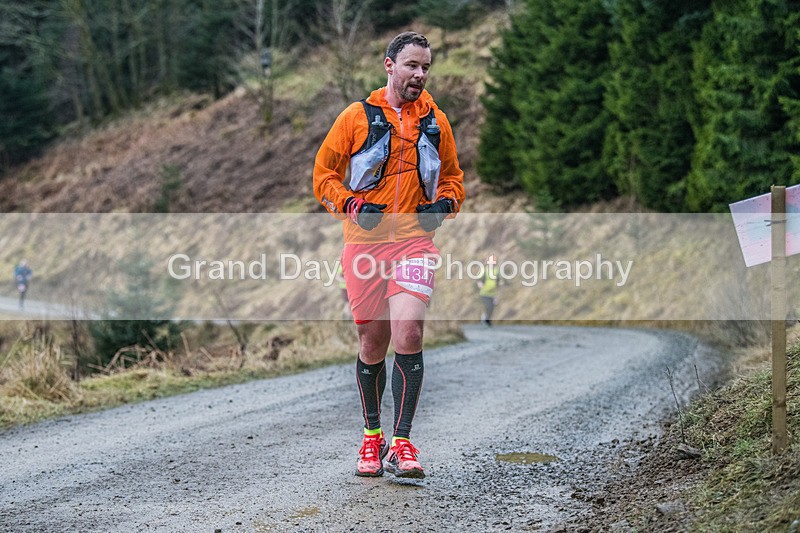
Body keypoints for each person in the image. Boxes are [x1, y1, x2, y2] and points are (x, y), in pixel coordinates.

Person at [313, 32, 465, 479]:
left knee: (410, 332)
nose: (419, 75)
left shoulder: (436, 121)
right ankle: (371, 436)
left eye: (426, 68)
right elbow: (324, 176)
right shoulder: (356, 117)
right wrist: (352, 205)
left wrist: (445, 205)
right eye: (412, 65)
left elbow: (454, 179)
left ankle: (402, 442)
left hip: (415, 243)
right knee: (372, 343)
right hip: (364, 246)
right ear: (389, 66)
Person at [477, 255, 501, 326]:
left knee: (492, 308)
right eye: (491, 262)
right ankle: (485, 319)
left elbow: (498, 281)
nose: (492, 263)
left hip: (493, 293)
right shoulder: (484, 270)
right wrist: (479, 283)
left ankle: (486, 319)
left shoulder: (496, 271)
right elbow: (478, 279)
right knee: (489, 306)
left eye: (493, 262)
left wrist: (497, 296)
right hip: (484, 293)